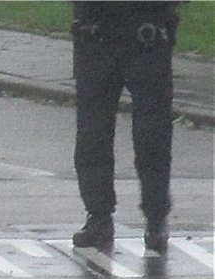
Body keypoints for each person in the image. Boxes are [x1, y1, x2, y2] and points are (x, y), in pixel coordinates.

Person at [70, 1, 180, 253]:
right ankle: (98, 216)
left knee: (152, 135)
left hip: (148, 25)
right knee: (92, 133)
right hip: (96, 27)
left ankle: (156, 215)